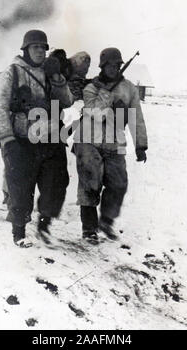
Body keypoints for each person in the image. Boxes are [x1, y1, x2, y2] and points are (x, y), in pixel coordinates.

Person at [0, 30, 74, 247]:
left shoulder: (49, 72)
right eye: (35, 46)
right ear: (26, 49)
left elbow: (66, 102)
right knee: (20, 188)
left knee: (56, 183)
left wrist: (57, 78)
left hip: (50, 138)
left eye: (43, 47)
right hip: (21, 139)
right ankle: (18, 231)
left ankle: (44, 222)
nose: (40, 51)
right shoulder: (12, 72)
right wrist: (6, 138)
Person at [73, 48, 148, 244]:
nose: (114, 68)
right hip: (88, 140)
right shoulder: (91, 88)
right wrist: (106, 92)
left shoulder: (129, 88)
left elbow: (136, 117)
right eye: (110, 65)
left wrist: (141, 145)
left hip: (114, 142)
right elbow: (94, 113)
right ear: (103, 66)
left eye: (117, 65)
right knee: (90, 184)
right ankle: (89, 229)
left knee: (119, 184)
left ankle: (105, 221)